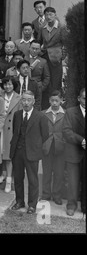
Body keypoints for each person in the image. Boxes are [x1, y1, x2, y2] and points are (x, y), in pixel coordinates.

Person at [10, 90, 49, 214]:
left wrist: (37, 149)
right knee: (18, 178)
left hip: (32, 152)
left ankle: (32, 204)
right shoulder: (17, 114)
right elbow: (15, 133)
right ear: (21, 101)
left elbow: (45, 136)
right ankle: (19, 201)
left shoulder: (41, 116)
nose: (26, 103)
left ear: (33, 101)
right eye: (24, 100)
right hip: (17, 151)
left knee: (33, 179)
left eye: (28, 100)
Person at [37, 7, 67, 108]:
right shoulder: (42, 27)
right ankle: (45, 105)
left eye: (51, 14)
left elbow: (66, 43)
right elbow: (39, 41)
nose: (49, 17)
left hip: (56, 58)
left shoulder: (61, 27)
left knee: (55, 82)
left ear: (55, 15)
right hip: (45, 57)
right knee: (46, 81)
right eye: (46, 15)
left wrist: (62, 56)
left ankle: (55, 105)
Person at [62, 88, 85, 216]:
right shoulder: (70, 112)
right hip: (74, 152)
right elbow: (66, 131)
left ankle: (85, 206)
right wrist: (81, 140)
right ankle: (71, 205)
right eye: (84, 98)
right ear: (78, 98)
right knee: (72, 181)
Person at [41, 90, 66, 205]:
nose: (55, 103)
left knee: (59, 172)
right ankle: (46, 194)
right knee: (46, 171)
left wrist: (63, 142)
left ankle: (57, 195)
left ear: (61, 100)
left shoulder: (66, 114)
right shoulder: (43, 114)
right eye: (52, 100)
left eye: (57, 100)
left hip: (60, 147)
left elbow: (68, 130)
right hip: (47, 146)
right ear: (49, 101)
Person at [0, 76, 21, 193]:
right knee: (1, 152)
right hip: (0, 127)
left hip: (11, 129)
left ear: (14, 85)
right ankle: (3, 173)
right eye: (5, 84)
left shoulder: (19, 97)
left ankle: (9, 180)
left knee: (9, 155)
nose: (8, 86)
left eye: (10, 84)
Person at [26, 40, 51, 110]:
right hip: (25, 86)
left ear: (40, 50)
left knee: (36, 108)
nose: (34, 50)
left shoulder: (43, 61)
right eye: (33, 48)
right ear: (29, 48)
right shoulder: (23, 58)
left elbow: (47, 76)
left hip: (37, 88)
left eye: (37, 49)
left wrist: (41, 87)